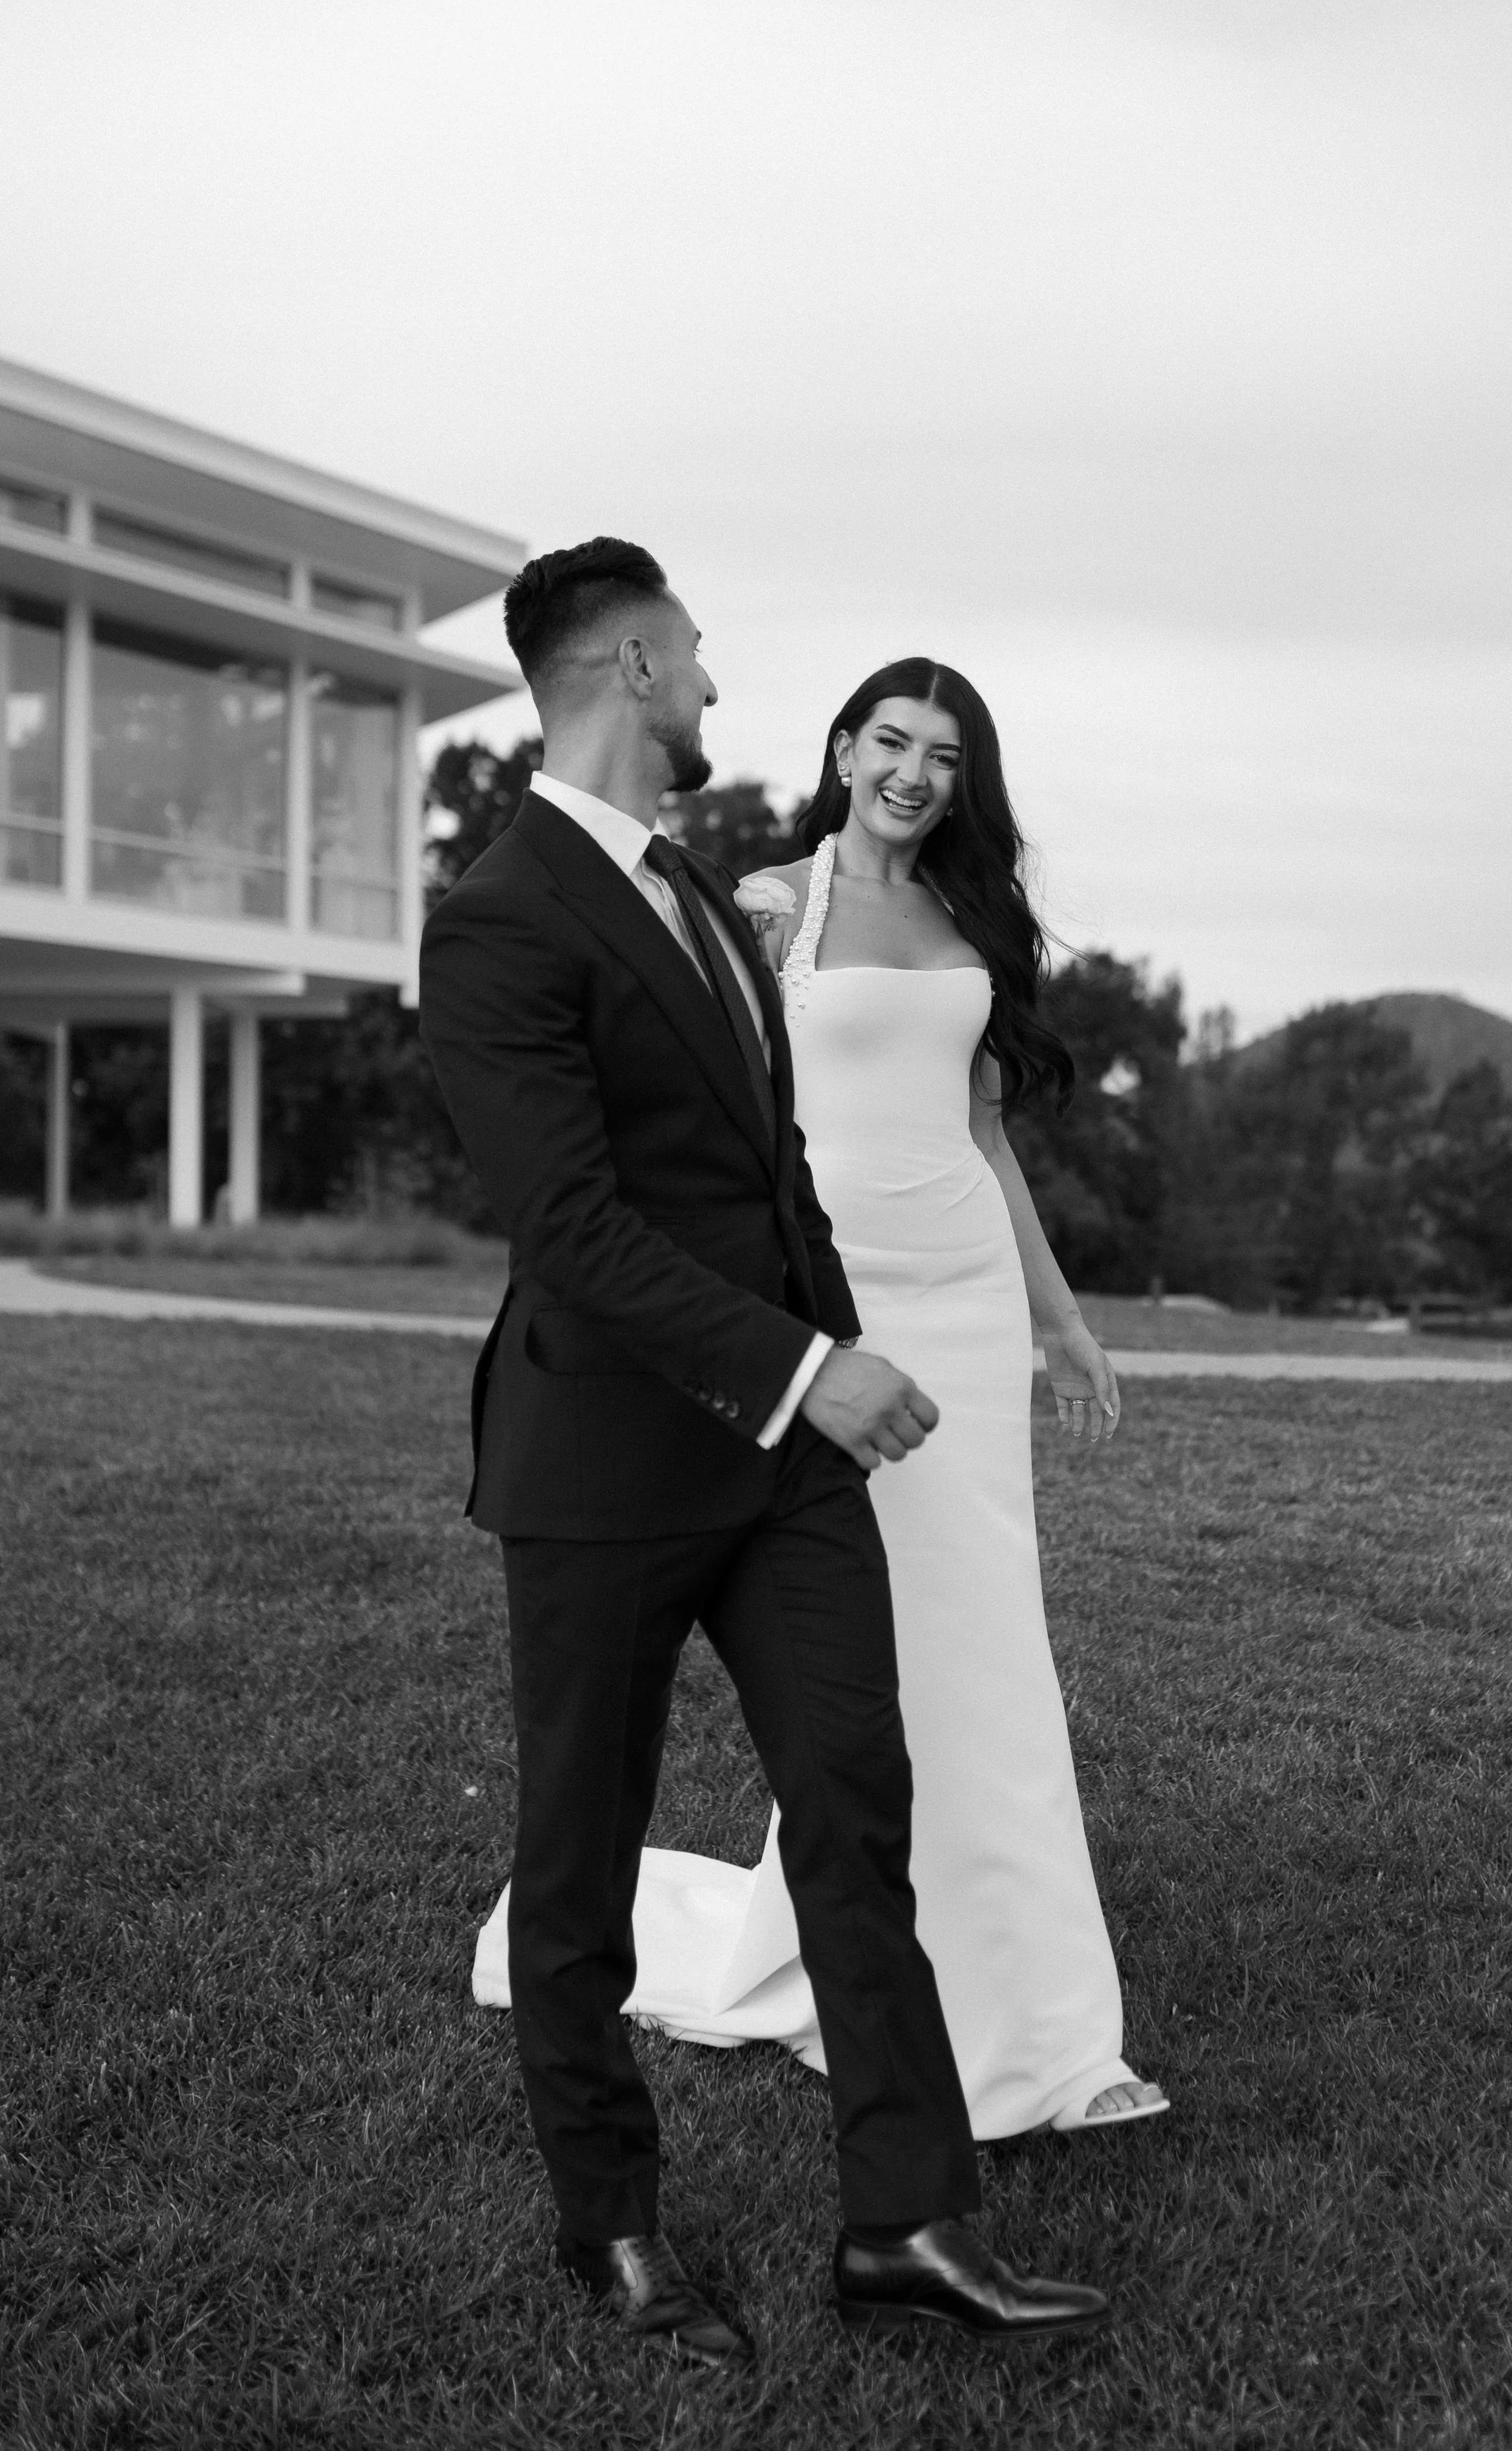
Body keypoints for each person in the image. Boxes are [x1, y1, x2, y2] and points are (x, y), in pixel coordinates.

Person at [422, 541, 1108, 2371]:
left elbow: (772, 1172)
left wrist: (840, 1351)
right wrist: (811, 1365)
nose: (717, 679)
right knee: (575, 1860)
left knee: (857, 1800)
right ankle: (618, 2225)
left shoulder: (697, 904)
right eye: (697, 652)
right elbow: (573, 1224)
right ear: (634, 661)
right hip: (600, 1463)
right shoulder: (498, 911)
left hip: (787, 1458)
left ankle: (902, 2215)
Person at [475, 655, 1168, 2138]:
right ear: (844, 749)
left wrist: (1059, 1322)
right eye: (892, 742)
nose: (915, 773)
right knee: (870, 1658)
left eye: (944, 755)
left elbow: (983, 1137)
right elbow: (712, 1125)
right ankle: (848, 1960)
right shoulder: (762, 910)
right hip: (837, 1309)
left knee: (986, 1644)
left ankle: (1044, 2033)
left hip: (967, 1307)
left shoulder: (977, 921)